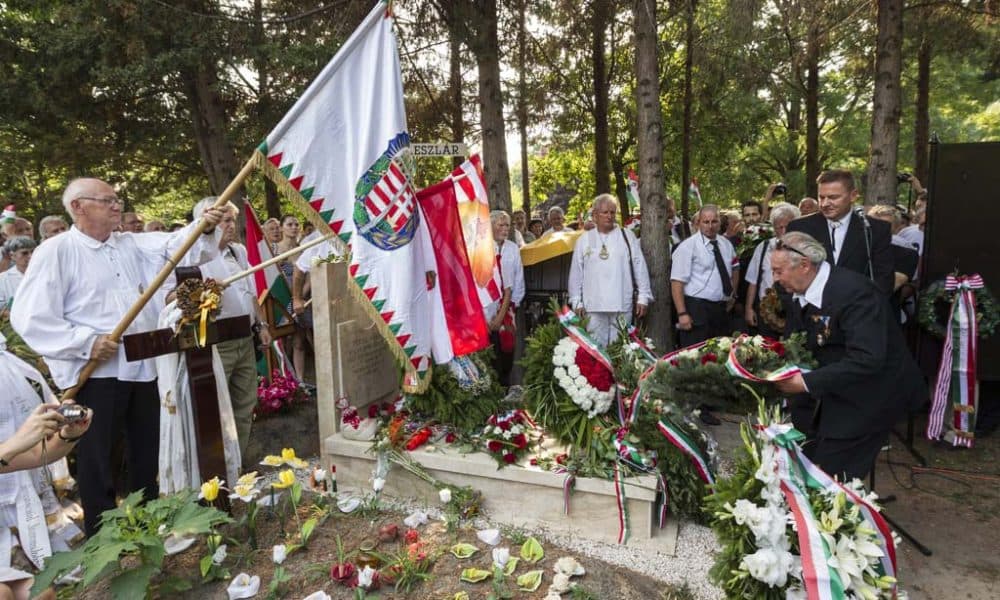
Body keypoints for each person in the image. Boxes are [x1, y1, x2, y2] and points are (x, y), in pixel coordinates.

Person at [10, 178, 224, 536]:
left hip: (142, 366)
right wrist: (85, 342)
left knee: (146, 452)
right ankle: (103, 540)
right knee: (98, 461)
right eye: (106, 200)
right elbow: (30, 315)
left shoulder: (130, 244)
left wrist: (204, 226)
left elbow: (180, 247)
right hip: (95, 374)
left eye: (117, 199)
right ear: (78, 207)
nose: (117, 206)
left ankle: (151, 526)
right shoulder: (57, 251)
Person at [770, 231, 926, 480]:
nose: (775, 279)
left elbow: (867, 358)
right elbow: (804, 340)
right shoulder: (799, 290)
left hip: (873, 395)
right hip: (836, 390)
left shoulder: (855, 294)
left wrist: (805, 382)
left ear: (804, 265)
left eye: (778, 271)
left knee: (829, 479)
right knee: (809, 460)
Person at [671, 204, 739, 425]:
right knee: (695, 357)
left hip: (719, 308)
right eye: (706, 222)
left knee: (717, 355)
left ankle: (711, 402)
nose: (710, 226)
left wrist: (732, 295)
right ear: (698, 223)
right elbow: (677, 282)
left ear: (720, 222)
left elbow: (734, 268)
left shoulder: (726, 245)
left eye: (714, 221)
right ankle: (695, 406)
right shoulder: (687, 247)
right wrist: (682, 312)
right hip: (695, 306)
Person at [787, 170, 894, 296]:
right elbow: (785, 272)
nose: (825, 203)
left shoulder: (874, 230)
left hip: (859, 309)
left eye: (833, 197)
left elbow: (884, 279)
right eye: (821, 197)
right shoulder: (800, 227)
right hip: (809, 309)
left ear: (853, 195)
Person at [568, 194, 652, 348]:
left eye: (612, 212)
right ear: (595, 215)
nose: (609, 216)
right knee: (596, 351)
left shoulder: (627, 236)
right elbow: (576, 273)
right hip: (592, 306)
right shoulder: (585, 239)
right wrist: (576, 300)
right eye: (605, 212)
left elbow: (639, 266)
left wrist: (643, 297)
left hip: (621, 302)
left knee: (621, 349)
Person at [744, 203, 801, 338]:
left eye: (787, 226)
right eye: (778, 227)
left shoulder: (805, 248)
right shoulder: (763, 247)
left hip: (795, 310)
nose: (783, 231)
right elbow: (753, 281)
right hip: (766, 313)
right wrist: (749, 308)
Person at [484, 211, 524, 385]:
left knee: (508, 349)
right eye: (501, 225)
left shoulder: (512, 248)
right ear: (491, 226)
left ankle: (506, 384)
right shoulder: (482, 249)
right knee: (490, 351)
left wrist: (511, 308)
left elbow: (518, 279)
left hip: (508, 308)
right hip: (486, 307)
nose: (505, 228)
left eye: (507, 225)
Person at [0, 237, 35, 311]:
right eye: (24, 253)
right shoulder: (3, 279)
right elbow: (2, 308)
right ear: (12, 256)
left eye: (33, 252)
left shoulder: (45, 273)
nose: (30, 256)